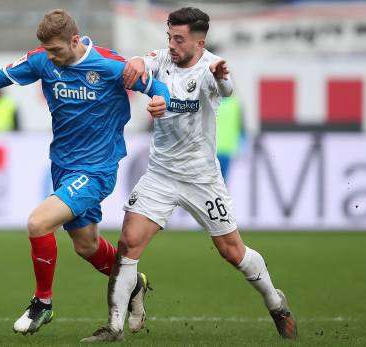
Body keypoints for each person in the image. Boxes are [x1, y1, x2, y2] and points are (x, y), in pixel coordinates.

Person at [0, 9, 170, 335]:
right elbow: (1, 75)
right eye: (48, 51)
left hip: (97, 169)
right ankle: (132, 283)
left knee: (38, 223)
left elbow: (157, 88)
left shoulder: (109, 66)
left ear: (75, 41)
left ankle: (43, 303)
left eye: (57, 50)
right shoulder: (42, 60)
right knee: (86, 246)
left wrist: (160, 102)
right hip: (63, 166)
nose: (52, 57)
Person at [82, 7, 296, 342]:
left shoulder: (211, 67)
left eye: (179, 38)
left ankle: (275, 301)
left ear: (199, 41)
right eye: (169, 36)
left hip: (201, 179)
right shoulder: (163, 58)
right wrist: (137, 61)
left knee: (232, 251)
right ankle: (114, 326)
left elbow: (226, 90)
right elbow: (144, 61)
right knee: (128, 244)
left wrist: (223, 76)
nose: (172, 44)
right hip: (160, 175)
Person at [216, 94, 243, 181]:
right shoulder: (235, 104)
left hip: (213, 150)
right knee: (222, 183)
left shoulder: (210, 102)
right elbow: (242, 129)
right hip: (226, 150)